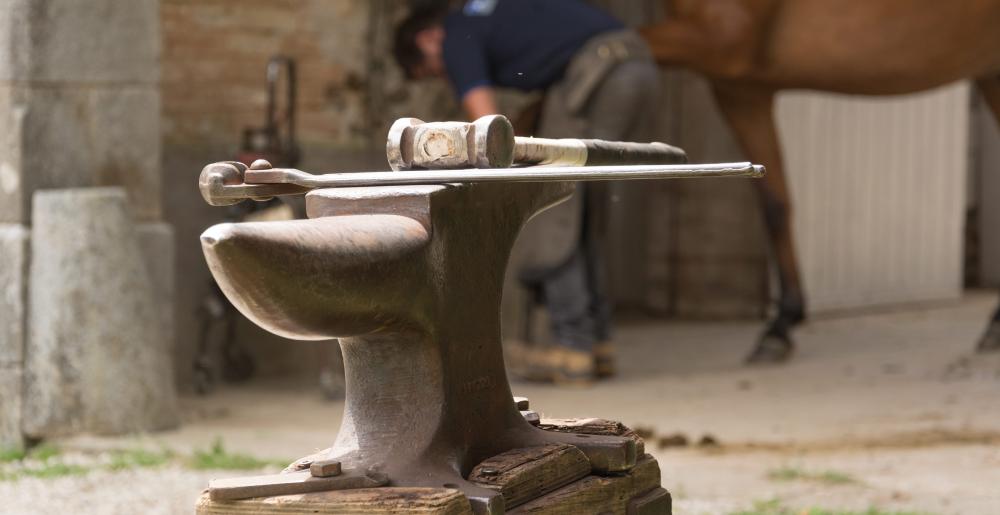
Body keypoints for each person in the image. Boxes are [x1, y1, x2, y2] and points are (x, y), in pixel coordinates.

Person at [394, 0, 661, 384]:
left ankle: (574, 347)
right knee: (583, 208)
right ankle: (598, 344)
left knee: (553, 208)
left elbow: (487, 130)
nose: (441, 75)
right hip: (636, 64)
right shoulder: (488, 16)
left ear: (427, 39)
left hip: (597, 73)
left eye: (429, 69)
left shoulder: (455, 35)